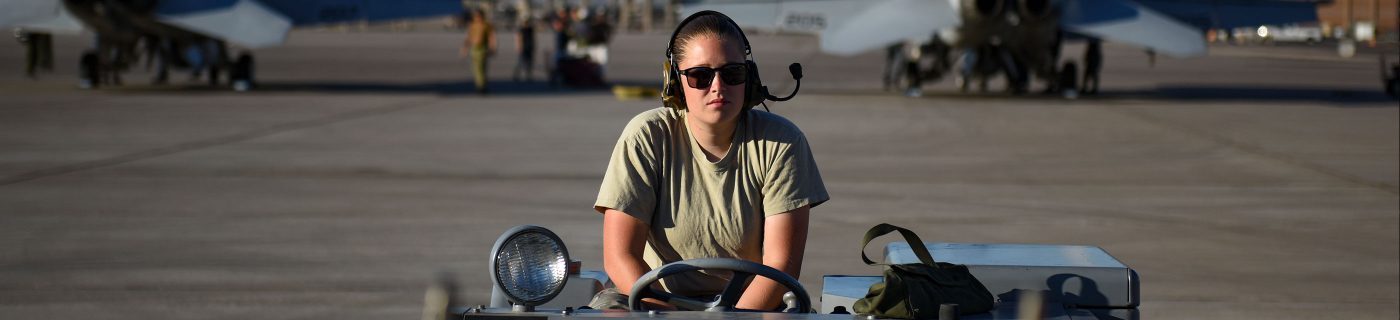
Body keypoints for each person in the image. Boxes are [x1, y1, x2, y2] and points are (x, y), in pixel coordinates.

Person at [590, 11, 828, 311]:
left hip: (752, 304)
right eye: (700, 76)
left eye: (732, 73)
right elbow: (620, 257)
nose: (718, 86)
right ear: (675, 82)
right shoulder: (647, 136)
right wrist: (666, 315)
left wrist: (731, 318)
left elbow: (780, 268)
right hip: (652, 299)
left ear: (749, 78)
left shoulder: (782, 142)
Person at [462, 8, 497, 94]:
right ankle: (480, 86)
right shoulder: (473, 25)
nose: (477, 18)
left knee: (481, 68)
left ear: (482, 16)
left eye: (478, 16)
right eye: (475, 16)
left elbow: (491, 37)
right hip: (474, 49)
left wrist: (493, 47)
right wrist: (465, 48)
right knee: (476, 69)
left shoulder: (486, 25)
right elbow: (469, 37)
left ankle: (482, 86)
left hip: (483, 48)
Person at [513, 17, 536, 82]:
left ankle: (529, 76)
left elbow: (533, 38)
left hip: (529, 47)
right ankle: (516, 75)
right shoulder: (521, 29)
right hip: (523, 47)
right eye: (525, 22)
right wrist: (519, 47)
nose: (526, 23)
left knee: (529, 63)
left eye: (527, 22)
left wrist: (534, 46)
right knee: (520, 62)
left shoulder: (530, 29)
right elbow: (518, 38)